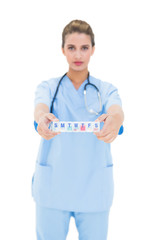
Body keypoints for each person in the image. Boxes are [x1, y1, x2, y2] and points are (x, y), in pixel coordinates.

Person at [31, 19, 124, 240]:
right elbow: (40, 109)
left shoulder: (106, 89)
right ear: (62, 50)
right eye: (71, 48)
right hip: (53, 188)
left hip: (93, 189)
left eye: (84, 48)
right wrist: (42, 118)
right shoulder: (49, 87)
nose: (78, 55)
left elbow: (117, 112)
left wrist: (115, 121)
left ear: (93, 49)